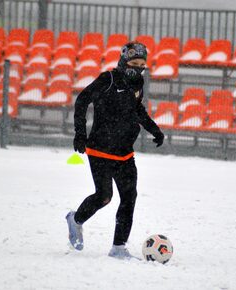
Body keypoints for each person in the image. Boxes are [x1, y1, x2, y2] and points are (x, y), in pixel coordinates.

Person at [66, 42, 164, 259]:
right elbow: (82, 101)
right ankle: (75, 220)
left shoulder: (139, 82)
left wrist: (154, 129)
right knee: (104, 196)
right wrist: (80, 133)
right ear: (123, 61)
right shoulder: (108, 79)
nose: (138, 68)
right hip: (100, 149)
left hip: (125, 153)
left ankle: (118, 247)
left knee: (129, 197)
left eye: (142, 64)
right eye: (133, 63)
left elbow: (136, 109)